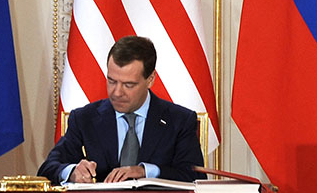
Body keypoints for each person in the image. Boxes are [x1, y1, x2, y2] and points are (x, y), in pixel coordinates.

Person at [38, 35, 205, 184]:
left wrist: (145, 171)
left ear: (150, 79)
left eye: (128, 85)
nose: (117, 92)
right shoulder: (84, 119)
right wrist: (72, 172)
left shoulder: (179, 121)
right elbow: (48, 169)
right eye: (111, 81)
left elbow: (194, 177)